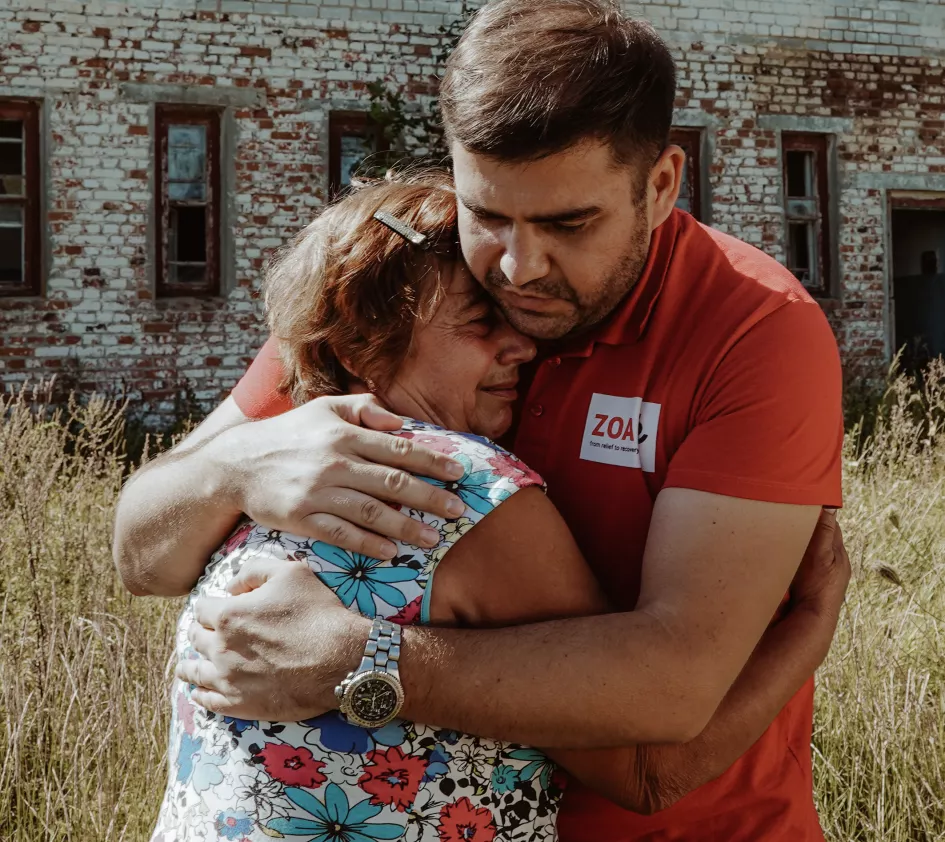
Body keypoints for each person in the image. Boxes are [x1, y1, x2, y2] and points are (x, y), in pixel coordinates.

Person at [114, 2, 847, 839]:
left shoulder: (752, 330)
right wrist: (233, 466)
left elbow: (672, 686)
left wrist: (358, 660)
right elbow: (142, 554)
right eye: (486, 215)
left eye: (568, 224)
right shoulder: (408, 294)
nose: (516, 266)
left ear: (661, 183)